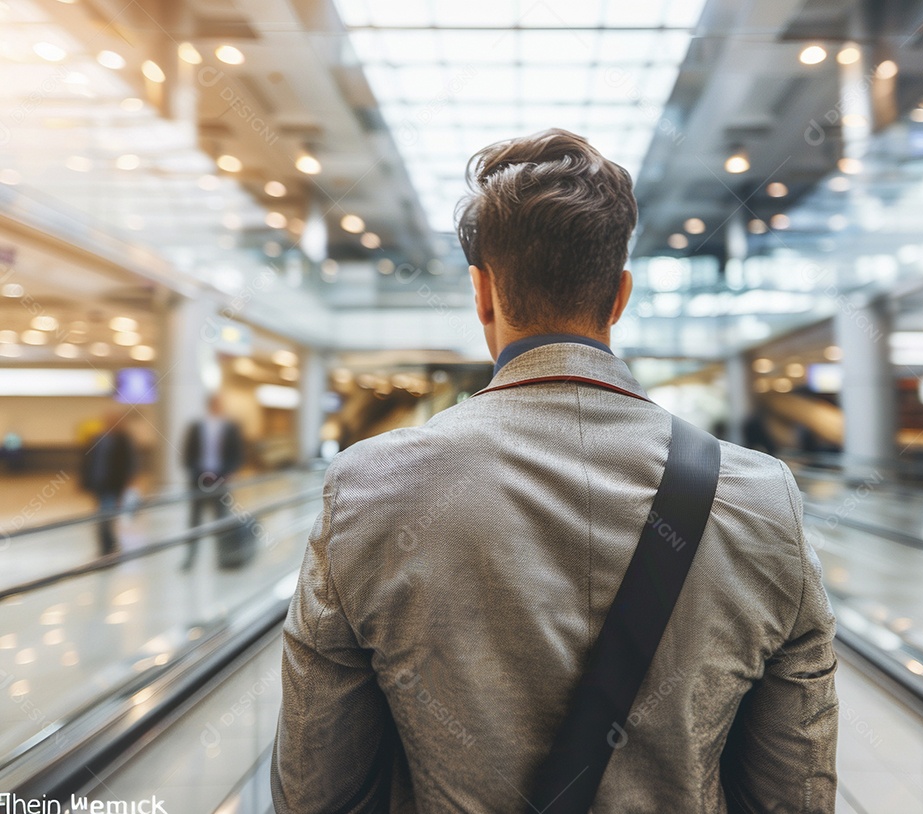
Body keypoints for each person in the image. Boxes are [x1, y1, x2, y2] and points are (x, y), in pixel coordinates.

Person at [272, 129, 838, 812]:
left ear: (482, 294)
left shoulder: (370, 490)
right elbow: (795, 795)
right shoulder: (761, 499)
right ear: (619, 296)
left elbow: (314, 790)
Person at [180, 395, 244, 569]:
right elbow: (187, 454)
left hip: (220, 480)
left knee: (220, 520)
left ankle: (222, 557)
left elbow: (236, 455)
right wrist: (197, 472)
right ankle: (190, 558)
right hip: (198, 479)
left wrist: (226, 473)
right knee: (195, 520)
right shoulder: (196, 427)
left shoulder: (230, 428)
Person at [80, 411, 136, 557]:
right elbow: (89, 461)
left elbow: (128, 465)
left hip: (112, 485)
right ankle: (110, 545)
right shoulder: (98, 438)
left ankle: (107, 548)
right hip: (99, 484)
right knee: (103, 515)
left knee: (105, 516)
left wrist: (125, 485)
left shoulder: (123, 440)